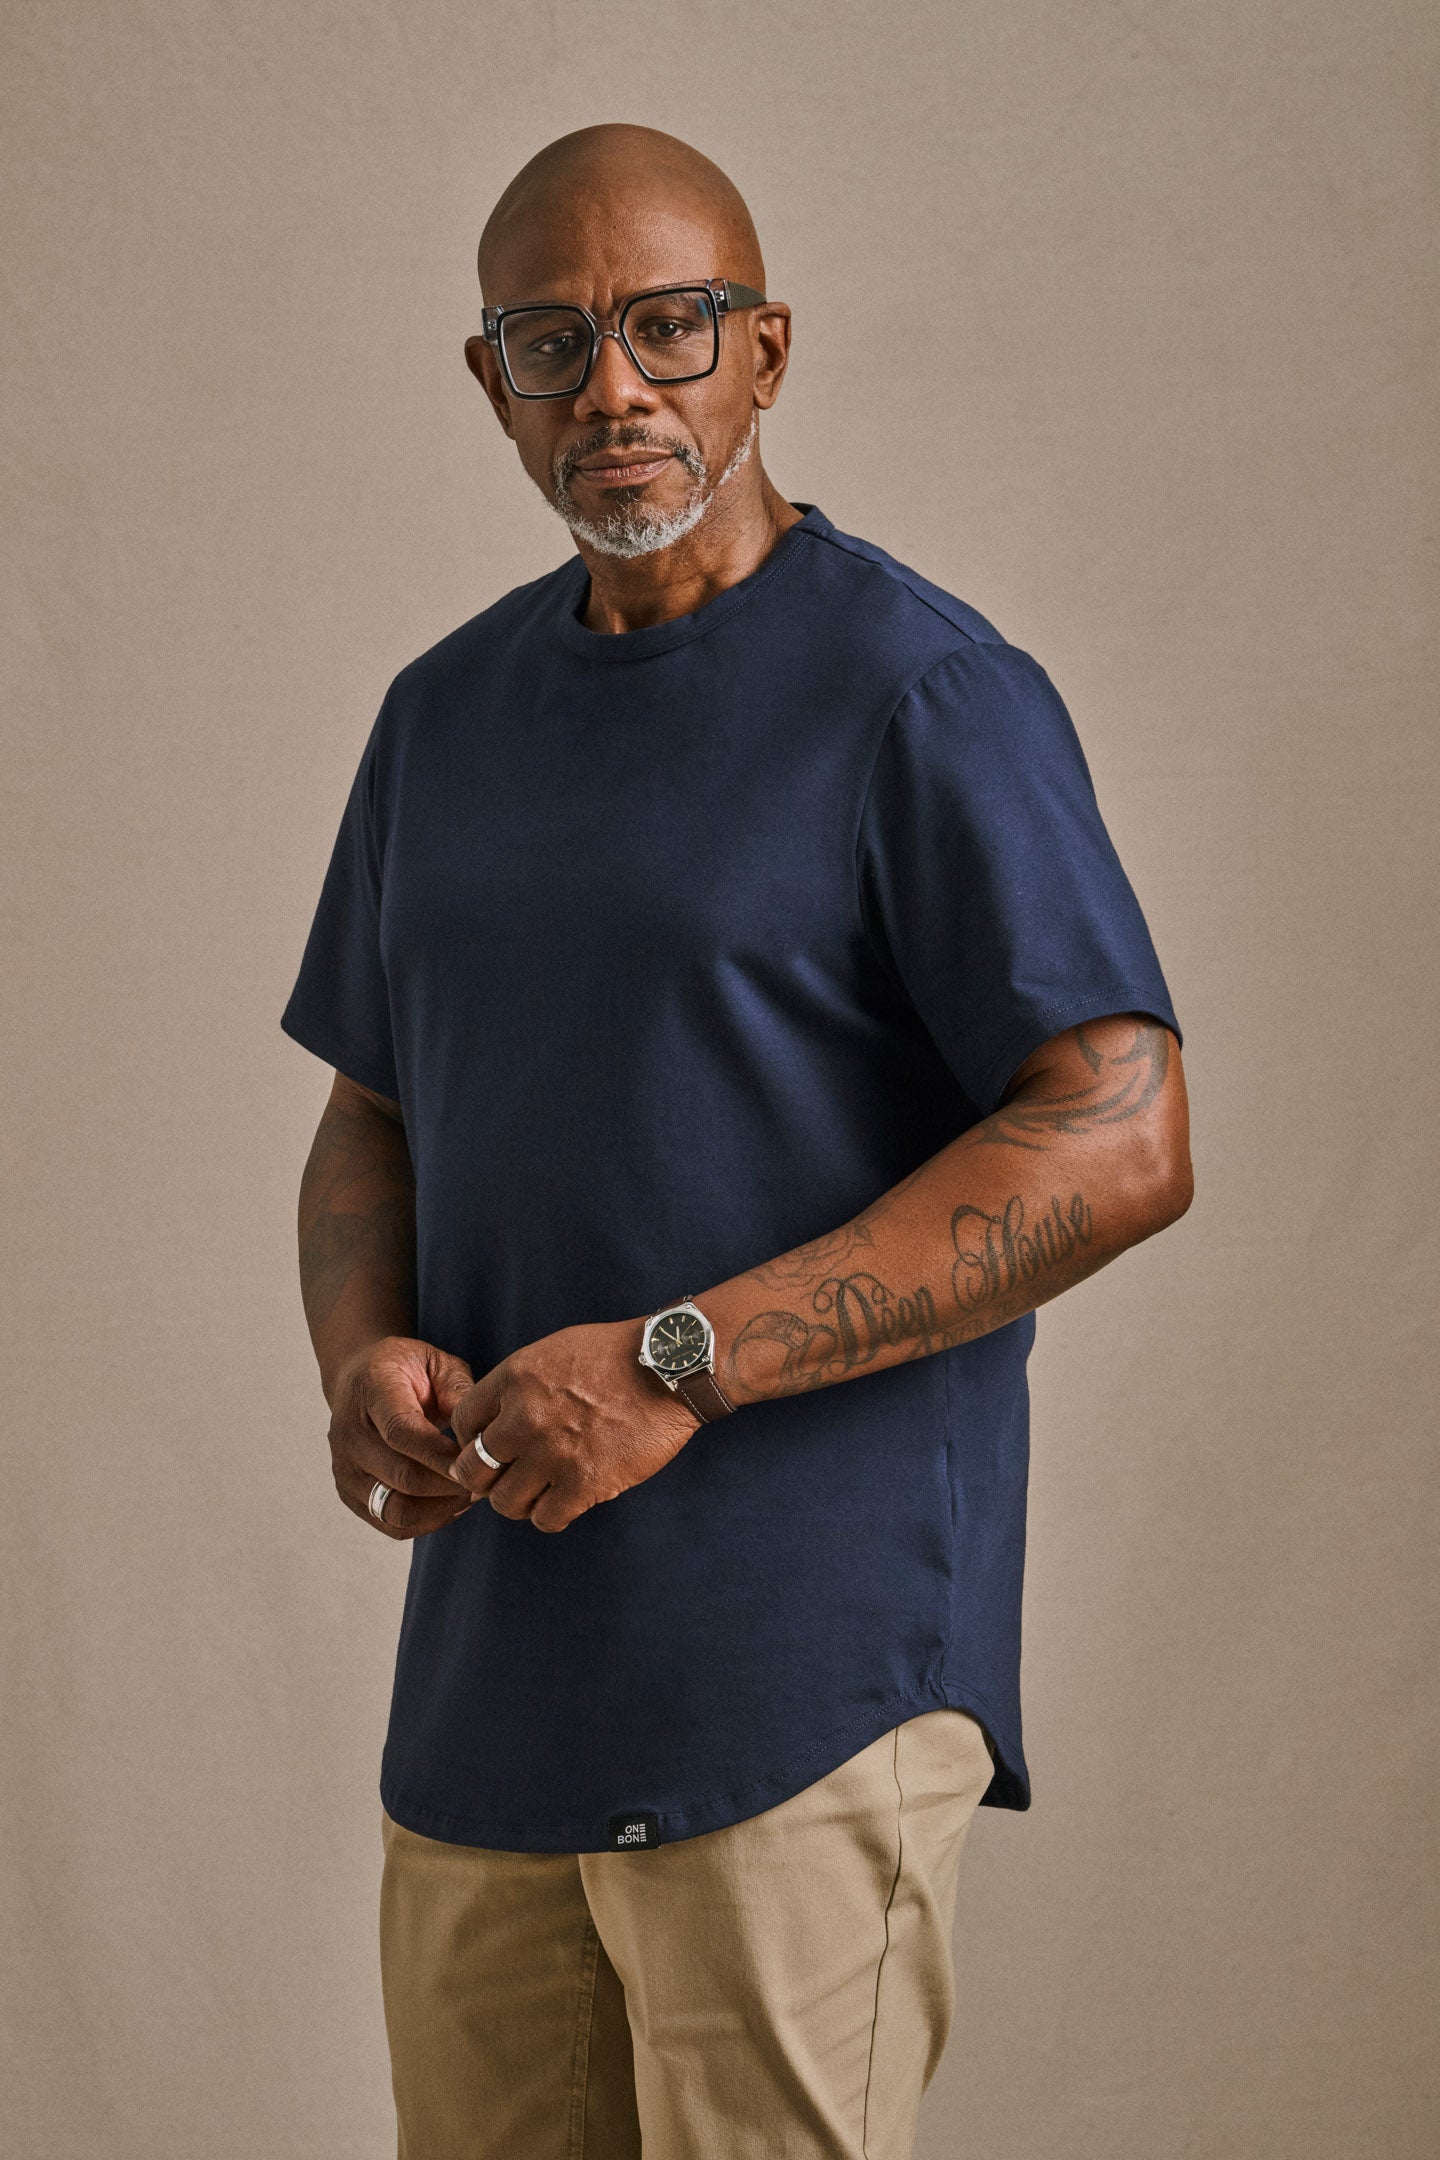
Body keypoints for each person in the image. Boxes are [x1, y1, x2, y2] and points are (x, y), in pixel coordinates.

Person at [280, 121, 1192, 2160]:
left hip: (798, 1689)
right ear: (492, 383)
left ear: (764, 351)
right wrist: (358, 1350)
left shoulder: (925, 695)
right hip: (492, 1705)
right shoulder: (439, 720)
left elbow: (1121, 1136)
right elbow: (370, 1113)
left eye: (669, 326)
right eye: (553, 339)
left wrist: (675, 1361)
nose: (615, 386)